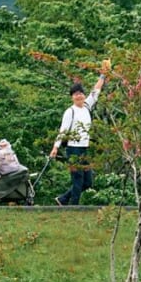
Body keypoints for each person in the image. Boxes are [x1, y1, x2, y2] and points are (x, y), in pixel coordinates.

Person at [50, 61, 109, 206]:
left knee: (87, 182)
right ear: (72, 97)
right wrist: (55, 147)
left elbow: (96, 91)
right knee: (77, 179)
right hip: (73, 148)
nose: (79, 96)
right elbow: (63, 130)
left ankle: (63, 199)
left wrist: (103, 75)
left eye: (81, 93)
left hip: (85, 148)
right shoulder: (70, 111)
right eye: (76, 94)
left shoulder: (87, 106)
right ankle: (73, 207)